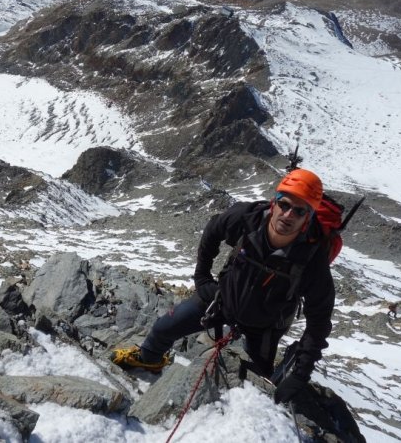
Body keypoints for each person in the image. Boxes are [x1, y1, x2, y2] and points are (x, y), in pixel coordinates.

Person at [111, 169, 335, 404]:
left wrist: (300, 375)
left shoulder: (312, 260)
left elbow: (319, 322)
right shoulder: (247, 219)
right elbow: (213, 229)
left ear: (307, 218)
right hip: (222, 301)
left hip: (265, 326)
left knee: (257, 386)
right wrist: (202, 278)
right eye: (285, 204)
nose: (288, 215)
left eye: (299, 211)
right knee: (163, 327)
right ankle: (148, 360)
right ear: (274, 202)